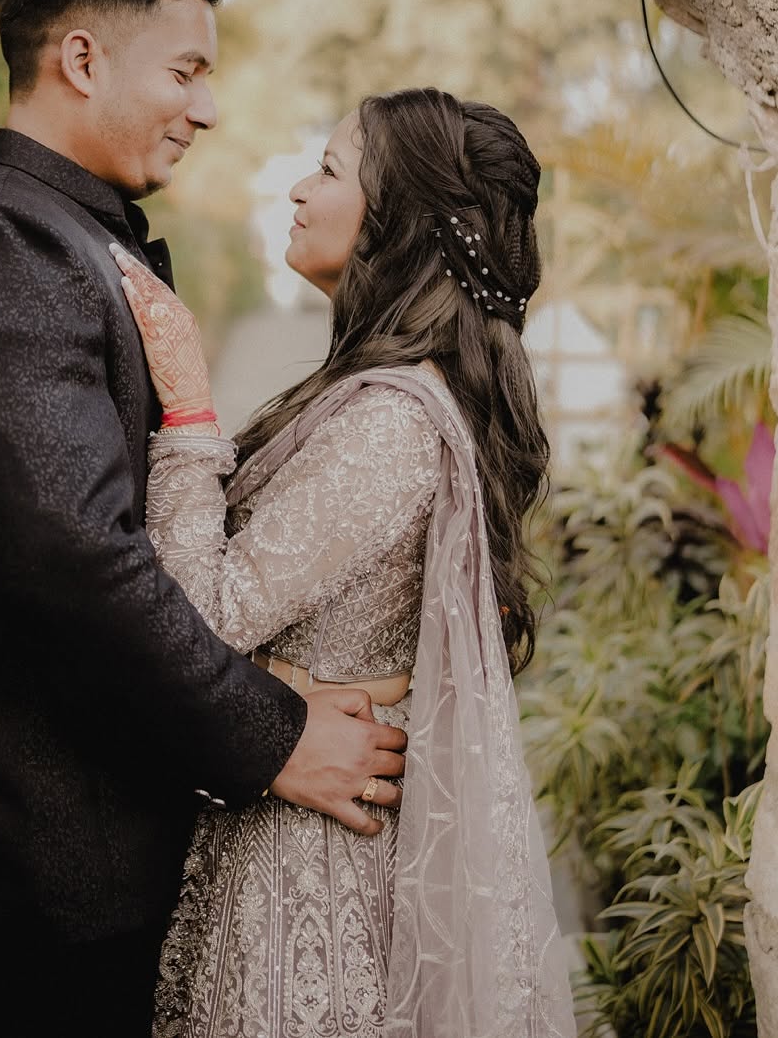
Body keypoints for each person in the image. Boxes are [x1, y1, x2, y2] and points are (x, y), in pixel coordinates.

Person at [0, 0, 407, 1037]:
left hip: (94, 866)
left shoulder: (62, 233)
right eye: (186, 70)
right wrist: (276, 736)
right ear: (79, 59)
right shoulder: (0, 246)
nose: (206, 109)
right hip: (39, 884)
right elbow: (73, 561)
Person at [111, 88, 577, 1036]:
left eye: (327, 170)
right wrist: (284, 686)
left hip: (309, 852)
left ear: (395, 220)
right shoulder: (391, 393)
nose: (295, 189)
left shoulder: (390, 424)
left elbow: (202, 613)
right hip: (299, 796)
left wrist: (191, 417)